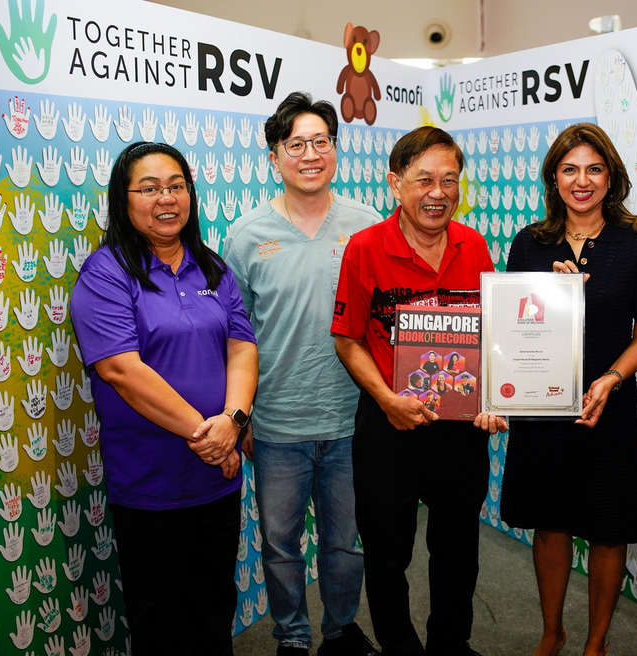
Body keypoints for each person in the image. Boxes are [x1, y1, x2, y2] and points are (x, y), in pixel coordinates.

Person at [69, 142, 258, 656]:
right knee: (160, 619)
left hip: (217, 478)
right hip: (151, 480)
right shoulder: (106, 273)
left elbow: (242, 346)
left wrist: (235, 420)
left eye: (176, 186)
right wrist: (213, 433)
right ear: (123, 200)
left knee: (213, 607)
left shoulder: (211, 266)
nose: (166, 198)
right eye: (149, 188)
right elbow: (121, 370)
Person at [331, 126, 507, 656]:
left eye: (449, 180)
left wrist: (493, 399)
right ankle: (400, 648)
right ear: (395, 184)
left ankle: (450, 644)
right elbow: (346, 339)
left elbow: (494, 334)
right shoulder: (364, 249)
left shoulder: (473, 246)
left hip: (460, 430)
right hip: (389, 425)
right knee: (387, 553)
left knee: (458, 550)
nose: (438, 192)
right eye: (424, 179)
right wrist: (387, 399)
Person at [499, 122, 637, 656]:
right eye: (570, 169)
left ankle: (596, 641)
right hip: (541, 409)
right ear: (554, 177)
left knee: (606, 528)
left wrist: (611, 379)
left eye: (594, 169)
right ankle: (552, 631)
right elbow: (512, 329)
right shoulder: (530, 242)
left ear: (611, 175)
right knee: (548, 526)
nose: (582, 180)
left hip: (608, 406)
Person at [222, 92, 380, 656]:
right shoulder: (245, 236)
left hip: (351, 420)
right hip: (278, 424)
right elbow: (235, 337)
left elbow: (386, 326)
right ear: (274, 156)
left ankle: (340, 630)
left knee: (345, 542)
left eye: (321, 142)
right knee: (281, 544)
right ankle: (291, 635)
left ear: (335, 149)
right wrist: (238, 416)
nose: (310, 154)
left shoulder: (367, 227)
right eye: (296, 145)